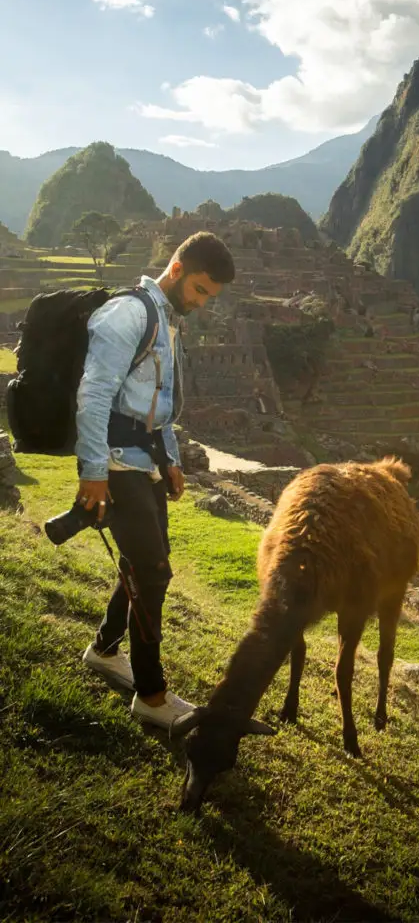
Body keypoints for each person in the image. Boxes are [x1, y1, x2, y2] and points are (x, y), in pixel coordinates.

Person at [77, 231, 235, 727]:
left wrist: (169, 459)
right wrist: (93, 473)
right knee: (154, 573)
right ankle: (150, 696)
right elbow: (94, 395)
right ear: (176, 268)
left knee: (141, 564)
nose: (202, 303)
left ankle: (104, 648)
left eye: (210, 297)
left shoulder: (167, 322)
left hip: (145, 465)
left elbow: (158, 407)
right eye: (200, 291)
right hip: (117, 465)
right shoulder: (130, 315)